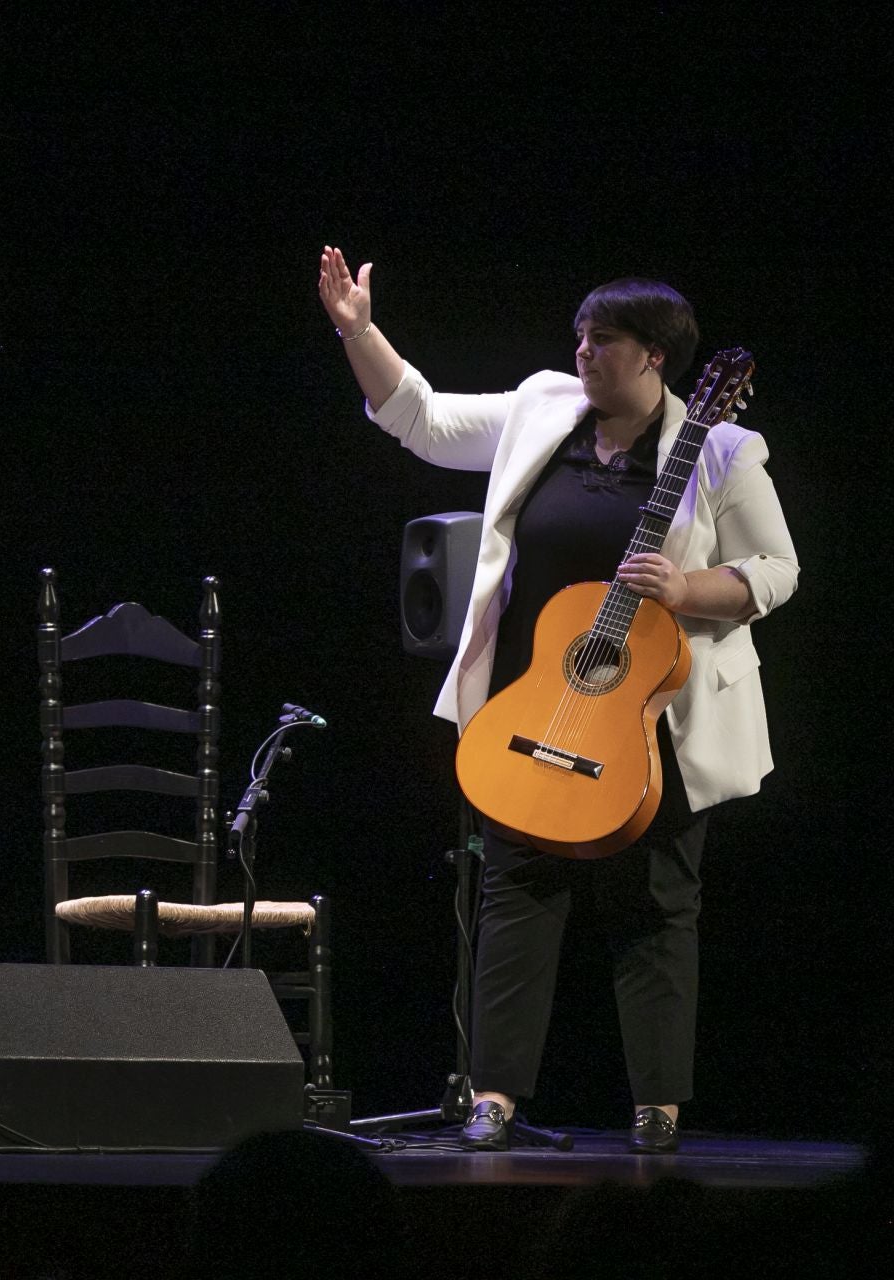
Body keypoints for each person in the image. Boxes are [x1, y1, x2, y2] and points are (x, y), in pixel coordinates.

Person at [317, 246, 798, 1153]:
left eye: (604, 339)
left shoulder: (722, 452)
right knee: (516, 898)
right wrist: (360, 331)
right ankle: (494, 1099)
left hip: (654, 720)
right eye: (579, 333)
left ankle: (657, 1109)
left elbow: (779, 570)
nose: (582, 350)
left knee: (655, 908)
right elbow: (420, 418)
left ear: (656, 355)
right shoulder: (545, 409)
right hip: (537, 708)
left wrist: (690, 592)